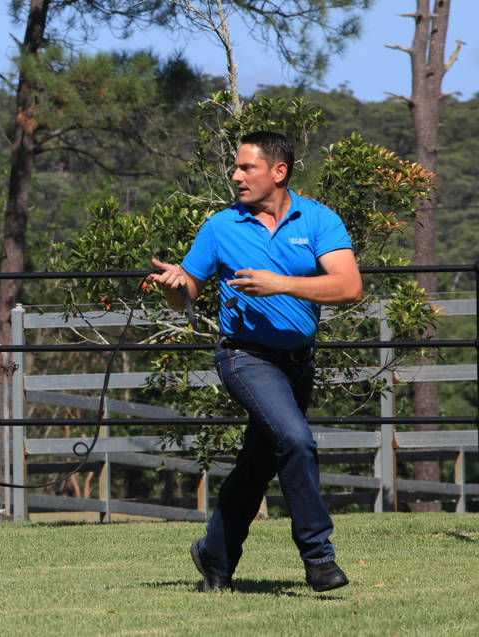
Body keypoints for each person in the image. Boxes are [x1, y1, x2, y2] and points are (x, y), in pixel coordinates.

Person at [147, 131, 362, 593]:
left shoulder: (319, 220)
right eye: (236, 167)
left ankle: (214, 557)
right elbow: (187, 291)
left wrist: (280, 284)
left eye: (247, 167)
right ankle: (320, 557)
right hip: (245, 356)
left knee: (256, 466)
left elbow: (348, 287)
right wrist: (173, 287)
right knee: (296, 440)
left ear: (278, 172)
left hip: (298, 363)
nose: (236, 175)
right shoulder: (220, 226)